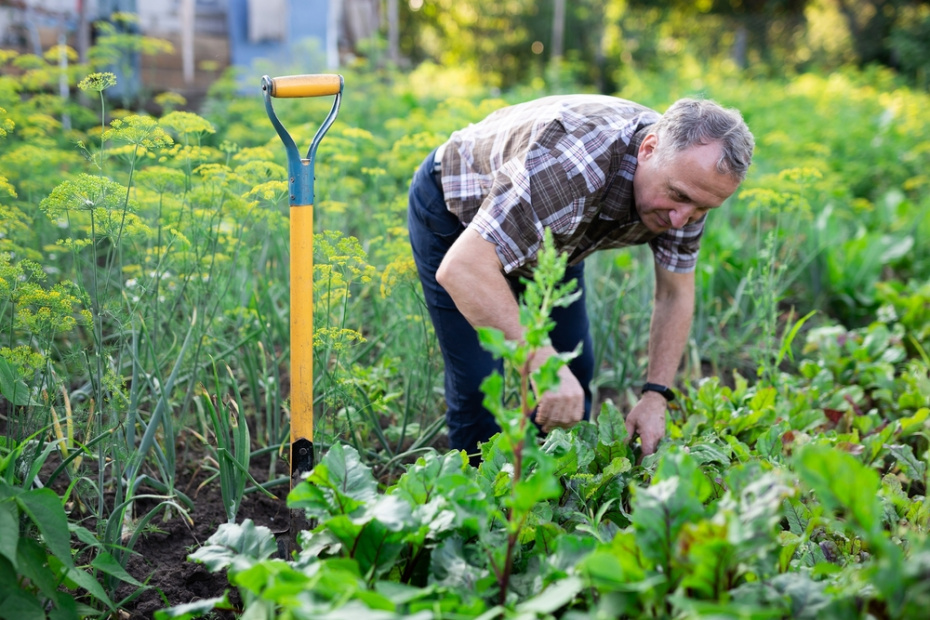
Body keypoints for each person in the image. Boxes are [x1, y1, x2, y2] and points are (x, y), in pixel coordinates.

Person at [407, 95, 754, 462]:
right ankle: (480, 501)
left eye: (702, 208)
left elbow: (674, 294)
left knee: (574, 364)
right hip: (460, 211)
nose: (680, 220)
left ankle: (550, 486)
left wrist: (655, 395)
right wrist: (541, 363)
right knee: (480, 379)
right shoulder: (570, 164)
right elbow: (463, 268)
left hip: (559, 234)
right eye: (678, 197)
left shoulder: (688, 188)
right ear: (649, 149)